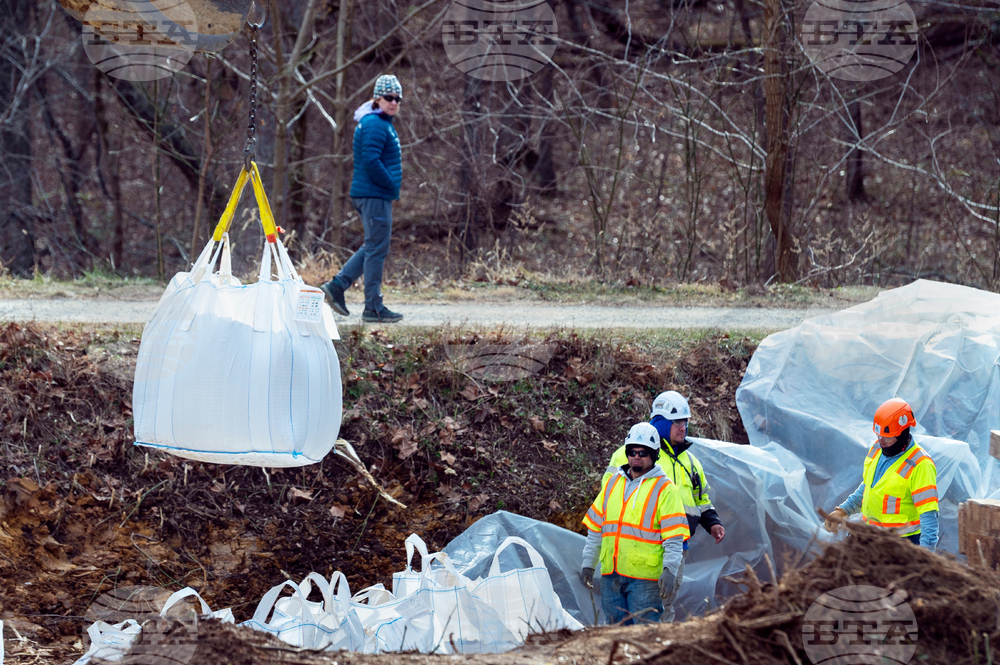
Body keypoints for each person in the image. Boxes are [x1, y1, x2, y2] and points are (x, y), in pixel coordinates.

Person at [603, 390, 725, 622]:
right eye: (676, 422)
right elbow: (608, 496)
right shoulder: (628, 454)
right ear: (659, 424)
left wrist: (713, 523)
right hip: (633, 552)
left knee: (661, 608)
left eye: (685, 422)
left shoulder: (690, 462)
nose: (683, 428)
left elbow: (701, 500)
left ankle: (656, 653)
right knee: (623, 615)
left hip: (675, 549)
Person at [580, 422, 689, 625]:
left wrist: (670, 570)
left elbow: (673, 538)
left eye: (643, 452)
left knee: (643, 636)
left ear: (655, 455)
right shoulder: (612, 483)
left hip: (645, 581)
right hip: (611, 576)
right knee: (615, 634)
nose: (637, 456)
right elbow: (596, 529)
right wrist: (588, 563)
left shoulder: (665, 489)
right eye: (632, 451)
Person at [321, 74, 404, 324]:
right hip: (374, 194)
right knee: (377, 248)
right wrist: (390, 183)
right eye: (389, 97)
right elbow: (370, 160)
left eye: (397, 98)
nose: (394, 102)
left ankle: (338, 286)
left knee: (373, 246)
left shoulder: (378, 122)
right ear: (377, 98)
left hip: (373, 193)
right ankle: (373, 307)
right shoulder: (375, 124)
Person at [824, 398, 939, 549]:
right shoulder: (877, 449)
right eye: (878, 435)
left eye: (887, 437)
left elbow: (928, 517)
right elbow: (868, 488)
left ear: (903, 433)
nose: (881, 441)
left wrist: (926, 556)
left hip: (902, 545)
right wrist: (844, 510)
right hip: (870, 538)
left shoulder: (920, 465)